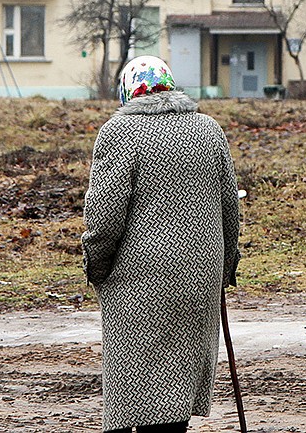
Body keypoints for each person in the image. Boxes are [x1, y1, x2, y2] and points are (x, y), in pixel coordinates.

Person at [82, 56, 241, 433]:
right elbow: (229, 210)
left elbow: (104, 216)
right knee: (175, 383)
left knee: (133, 386)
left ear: (128, 91)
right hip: (200, 275)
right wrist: (225, 267)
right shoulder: (209, 129)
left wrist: (97, 265)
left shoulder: (119, 133)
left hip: (139, 281)